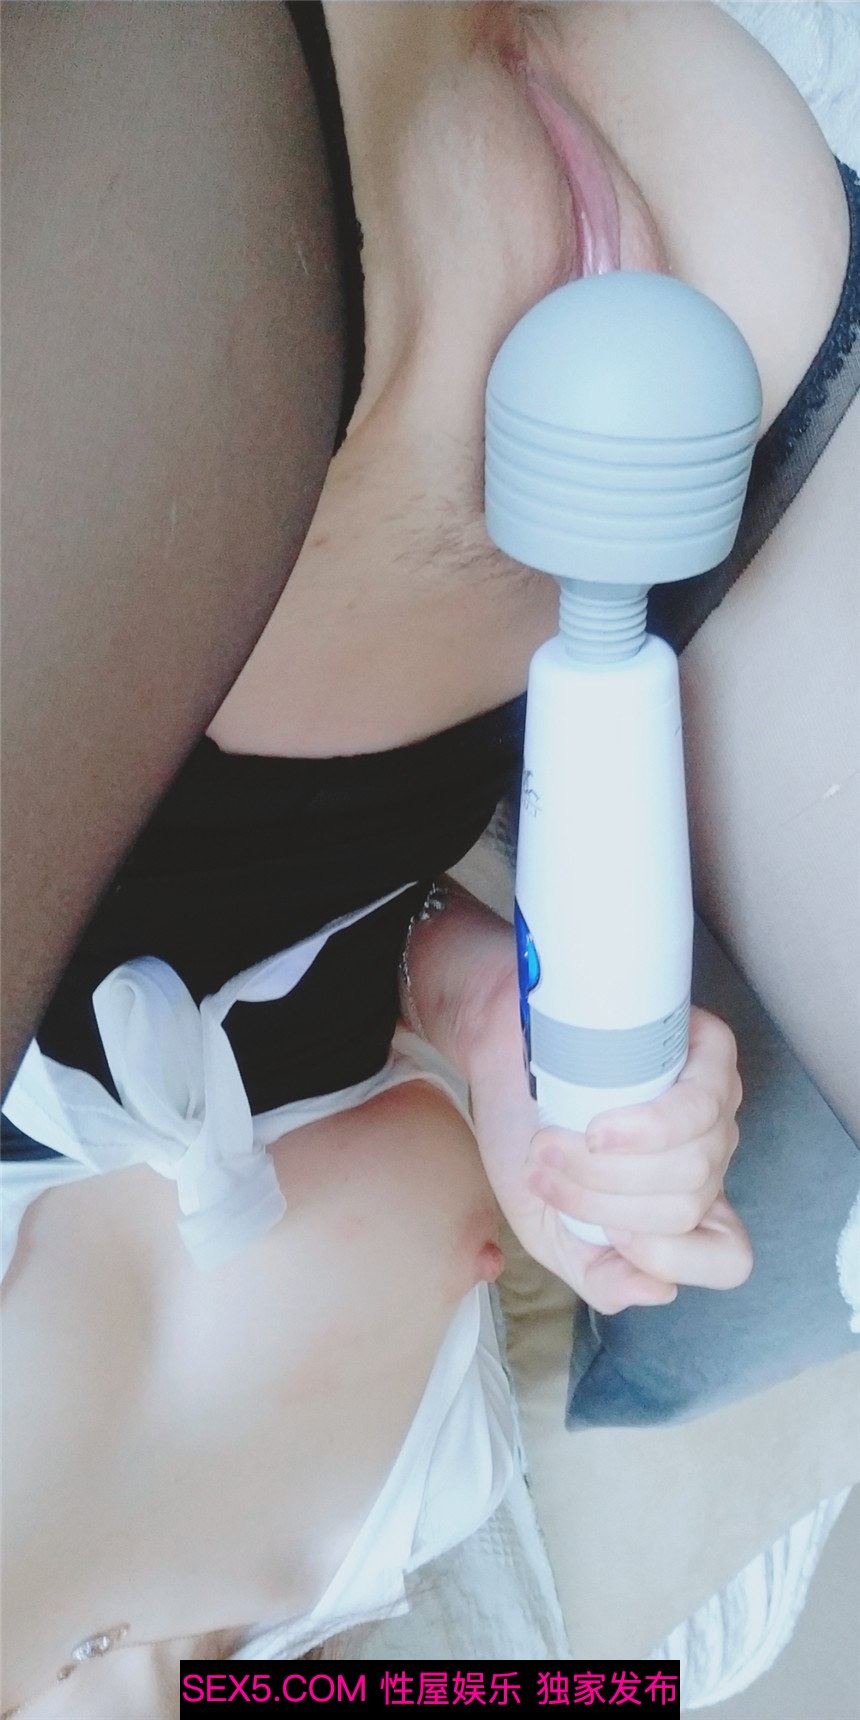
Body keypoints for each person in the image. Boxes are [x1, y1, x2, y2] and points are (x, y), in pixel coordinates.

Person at [2, 3, 857, 1712]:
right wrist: (485, 1026)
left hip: (273, 299)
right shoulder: (349, 1652)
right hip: (669, 443)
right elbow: (342, 969)